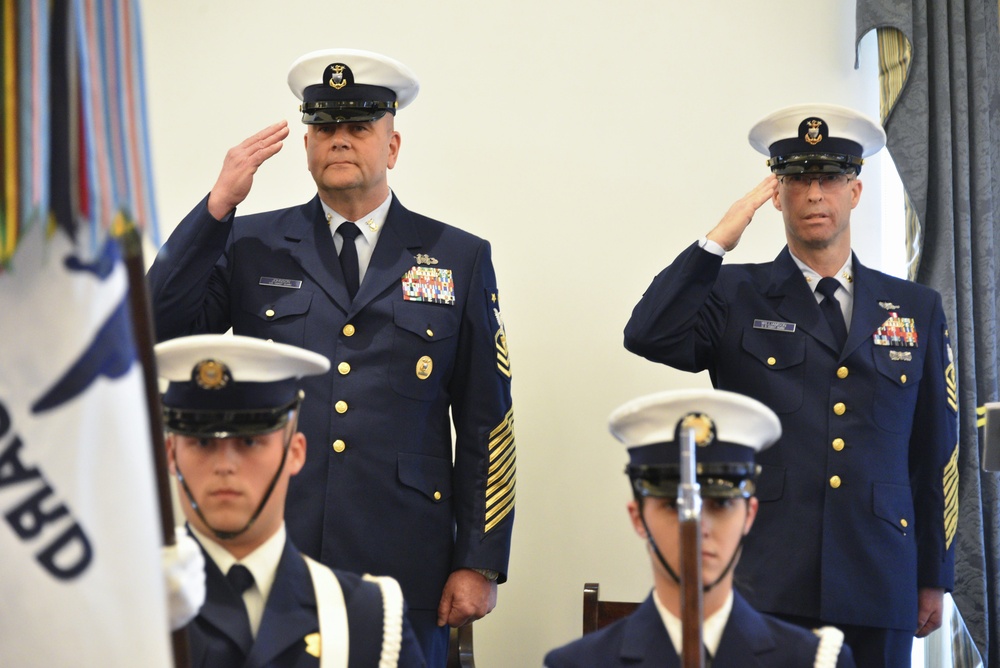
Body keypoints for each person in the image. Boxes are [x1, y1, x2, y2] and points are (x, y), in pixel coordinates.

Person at [146, 49, 515, 666]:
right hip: (276, 545)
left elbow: (488, 420)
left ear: (392, 145)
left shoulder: (458, 256)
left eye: (359, 128)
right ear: (308, 142)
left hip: (404, 558)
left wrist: (479, 559)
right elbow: (155, 327)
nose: (339, 141)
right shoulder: (250, 242)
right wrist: (215, 208)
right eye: (324, 128)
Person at [623, 103, 958, 667]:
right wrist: (718, 240)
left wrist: (934, 574)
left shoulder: (915, 308)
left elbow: (936, 450)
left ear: (855, 190)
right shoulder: (733, 295)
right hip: (765, 578)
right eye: (797, 180)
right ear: (776, 193)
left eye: (829, 178)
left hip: (880, 574)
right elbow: (648, 334)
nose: (814, 195)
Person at [157, 333, 426, 667]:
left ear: (295, 453)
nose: (224, 465)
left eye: (250, 441)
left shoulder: (368, 619)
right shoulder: (129, 608)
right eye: (202, 443)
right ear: (170, 454)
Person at [544, 388, 855, 667]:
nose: (698, 526)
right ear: (638, 517)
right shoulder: (579, 663)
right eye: (671, 505)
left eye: (720, 504)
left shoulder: (812, 660)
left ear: (749, 515)